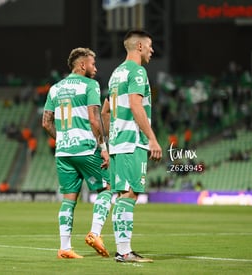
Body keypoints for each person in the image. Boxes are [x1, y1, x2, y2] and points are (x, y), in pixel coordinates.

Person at [42, 47, 112, 259]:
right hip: (86, 148)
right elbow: (93, 119)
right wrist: (103, 148)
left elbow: (46, 122)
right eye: (92, 63)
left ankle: (65, 247)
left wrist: (63, 139)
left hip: (63, 152)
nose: (95, 68)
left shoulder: (55, 88)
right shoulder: (90, 85)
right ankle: (95, 233)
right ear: (82, 65)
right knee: (107, 189)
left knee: (68, 199)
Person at [103, 30, 162, 263]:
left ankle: (123, 250)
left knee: (122, 195)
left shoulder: (116, 73)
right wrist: (152, 139)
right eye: (149, 46)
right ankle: (124, 251)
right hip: (131, 141)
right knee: (129, 194)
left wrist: (112, 137)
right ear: (139, 46)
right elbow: (136, 106)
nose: (152, 50)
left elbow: (105, 111)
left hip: (118, 142)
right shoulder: (138, 71)